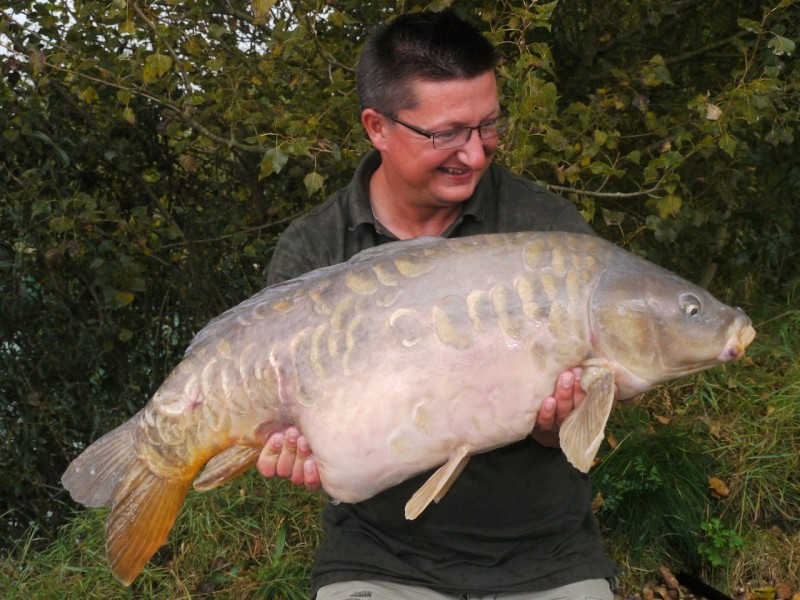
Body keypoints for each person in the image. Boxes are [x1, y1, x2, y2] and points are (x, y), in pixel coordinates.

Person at [257, 9, 618, 600]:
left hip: (545, 552)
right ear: (377, 126)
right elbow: (292, 434)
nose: (475, 155)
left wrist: (560, 423)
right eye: (446, 134)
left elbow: (579, 427)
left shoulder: (544, 231)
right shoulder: (316, 249)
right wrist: (288, 444)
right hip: (380, 554)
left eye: (488, 126)